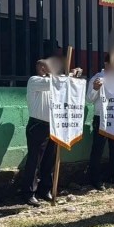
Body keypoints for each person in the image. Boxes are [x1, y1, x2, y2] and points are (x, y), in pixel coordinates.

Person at [21, 59, 82, 206]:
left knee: (50, 160)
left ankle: (45, 189)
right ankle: (29, 193)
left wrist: (73, 75)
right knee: (35, 160)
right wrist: (70, 75)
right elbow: (55, 83)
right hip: (38, 126)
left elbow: (62, 86)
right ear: (42, 67)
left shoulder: (54, 83)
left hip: (53, 125)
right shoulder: (35, 80)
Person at [86, 56, 114, 190]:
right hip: (101, 117)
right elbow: (89, 99)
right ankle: (95, 179)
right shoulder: (98, 78)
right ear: (106, 63)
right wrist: (95, 88)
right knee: (98, 149)